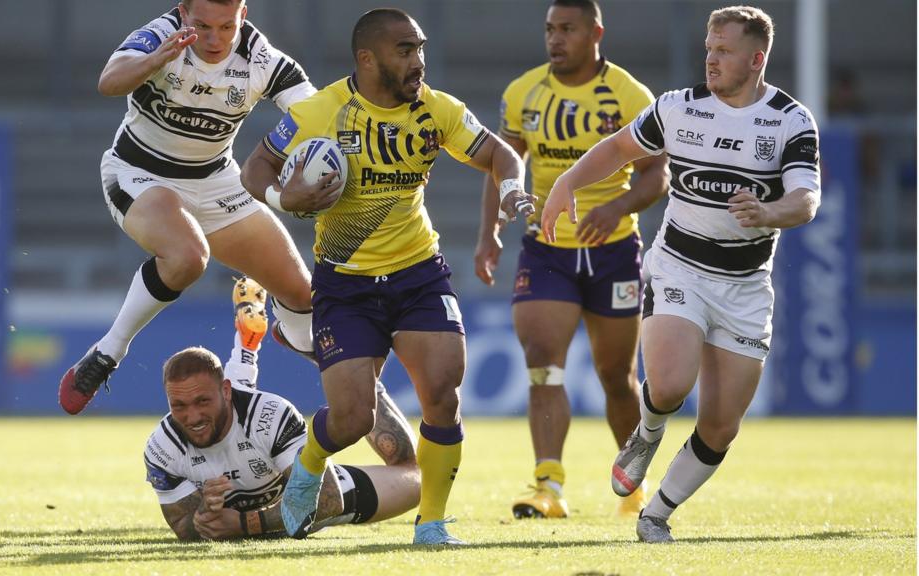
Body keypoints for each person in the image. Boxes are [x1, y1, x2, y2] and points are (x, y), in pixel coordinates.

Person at [240, 8, 535, 545]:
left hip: (418, 274)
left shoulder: (435, 110)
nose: (418, 61)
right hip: (345, 284)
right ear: (367, 58)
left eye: (420, 47)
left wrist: (512, 188)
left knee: (443, 393)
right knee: (352, 420)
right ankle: (309, 464)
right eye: (405, 50)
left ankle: (433, 523)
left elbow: (501, 153)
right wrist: (287, 198)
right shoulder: (319, 111)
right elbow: (254, 169)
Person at [541, 5, 821, 543]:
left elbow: (806, 201)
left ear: (756, 58)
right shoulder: (679, 108)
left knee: (720, 427)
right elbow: (619, 148)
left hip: (745, 287)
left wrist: (769, 212)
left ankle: (657, 515)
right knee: (668, 385)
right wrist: (567, 184)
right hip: (680, 266)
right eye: (708, 49)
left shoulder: (790, 119)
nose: (710, 60)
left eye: (724, 52)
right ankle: (646, 434)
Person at [59, 0, 330, 415]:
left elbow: (317, 117)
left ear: (243, 15)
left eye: (225, 26)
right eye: (202, 25)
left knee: (300, 292)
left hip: (216, 180)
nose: (213, 39)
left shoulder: (263, 59)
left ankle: (311, 348)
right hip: (140, 172)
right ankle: (108, 352)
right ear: (183, 13)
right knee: (188, 256)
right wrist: (155, 60)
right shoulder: (159, 34)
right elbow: (109, 82)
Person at [473, 0, 668, 520]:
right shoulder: (524, 92)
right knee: (543, 364)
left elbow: (656, 175)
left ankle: (634, 488)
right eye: (549, 29)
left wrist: (617, 206)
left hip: (614, 254)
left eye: (567, 29)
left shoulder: (630, 95)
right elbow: (504, 165)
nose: (555, 39)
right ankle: (548, 486)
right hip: (547, 249)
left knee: (616, 377)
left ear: (595, 31)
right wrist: (489, 233)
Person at [144, 278, 420, 541]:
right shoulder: (162, 445)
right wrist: (202, 515)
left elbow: (327, 498)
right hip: (238, 406)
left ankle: (328, 361)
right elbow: (183, 525)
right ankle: (247, 345)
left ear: (225, 392)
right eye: (178, 405)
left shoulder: (270, 415)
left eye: (201, 402)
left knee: (415, 475)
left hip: (319, 492)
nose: (191, 418)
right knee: (230, 405)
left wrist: (245, 524)